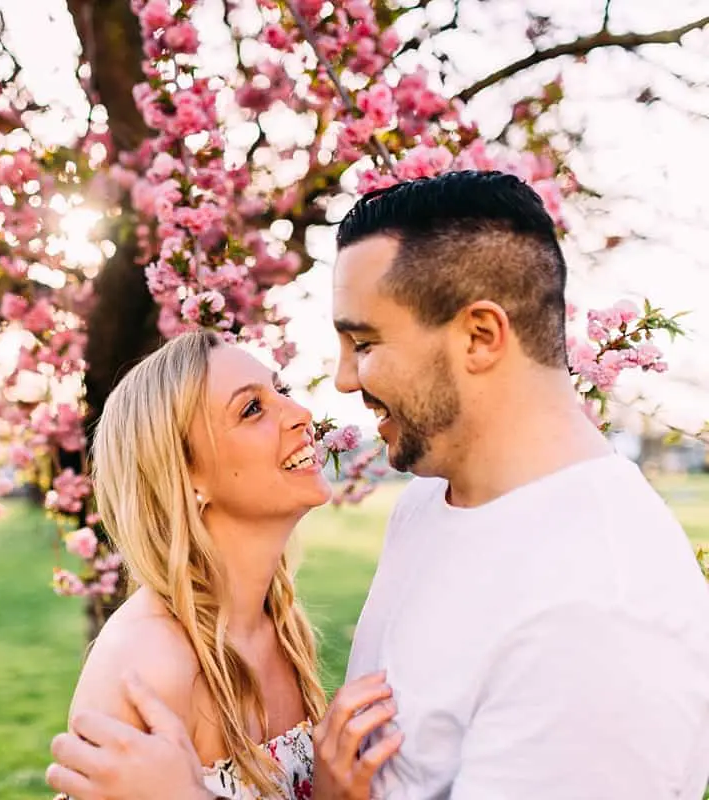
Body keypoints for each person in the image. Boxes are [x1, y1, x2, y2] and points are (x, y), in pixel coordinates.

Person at [45, 170, 709, 799]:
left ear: (480, 336)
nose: (332, 387)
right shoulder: (427, 505)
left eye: (363, 343)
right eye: (252, 406)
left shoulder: (598, 613)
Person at [48, 329, 402, 800]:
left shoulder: (280, 626)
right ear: (185, 473)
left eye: (282, 392)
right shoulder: (147, 663)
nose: (300, 415)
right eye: (252, 409)